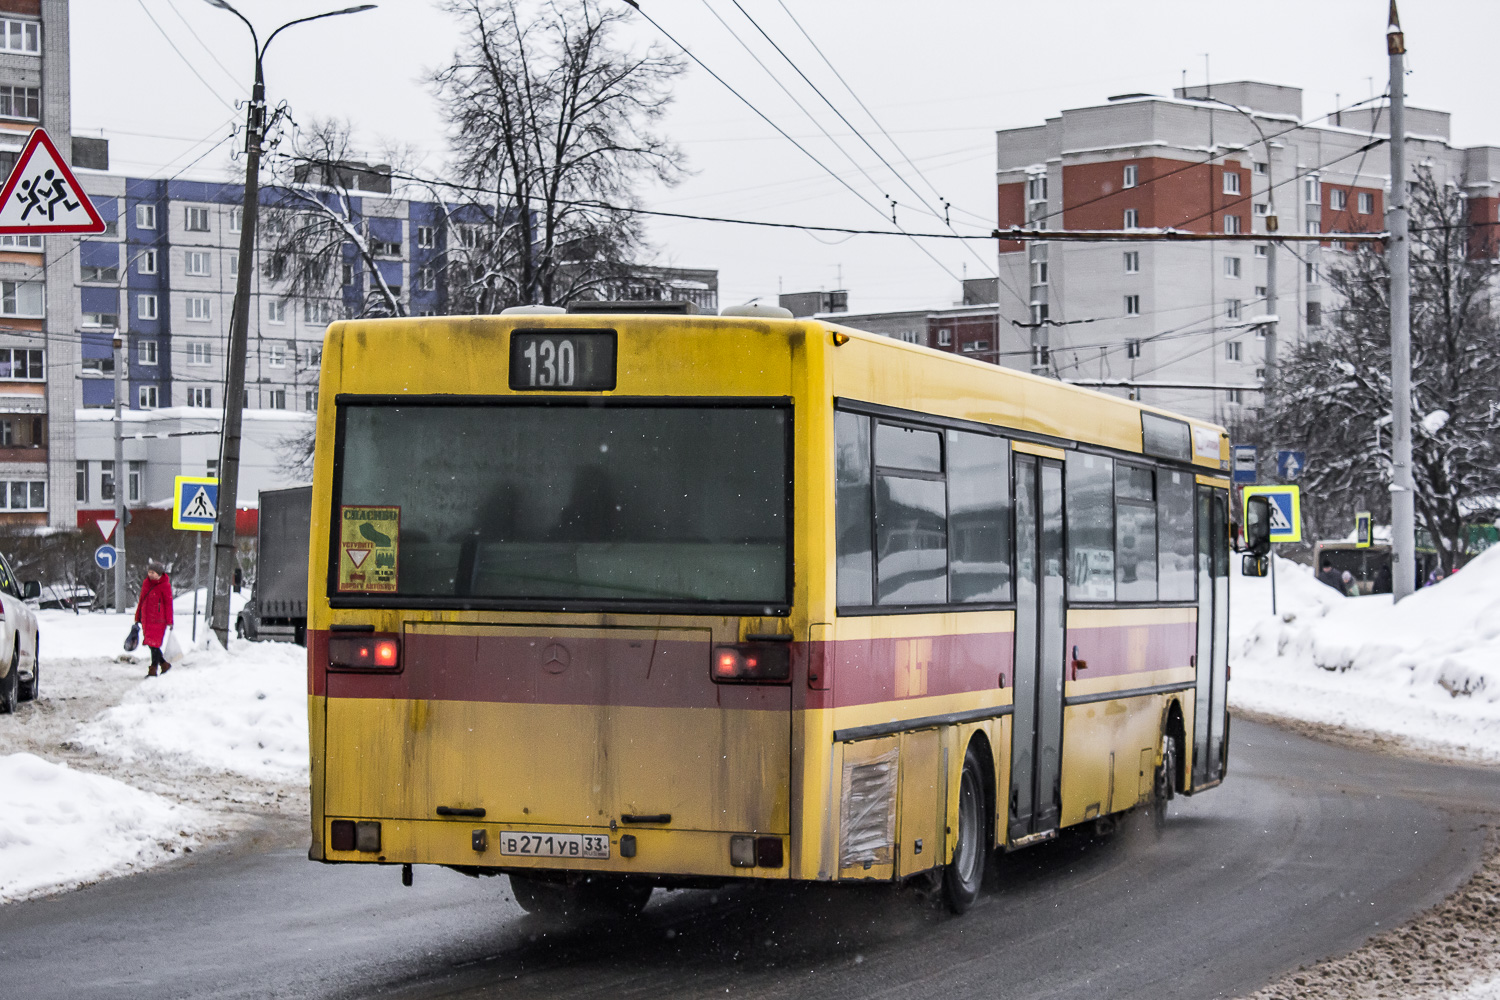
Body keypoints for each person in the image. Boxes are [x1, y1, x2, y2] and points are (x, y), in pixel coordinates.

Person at [136, 560, 174, 678]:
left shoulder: (165, 585)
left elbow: (168, 604)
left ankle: (153, 670)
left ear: (159, 574)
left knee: (154, 644)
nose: (150, 574)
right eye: (149, 572)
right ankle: (164, 664)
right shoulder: (146, 584)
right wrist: (138, 616)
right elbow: (141, 601)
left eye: (153, 572)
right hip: (147, 620)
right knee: (151, 644)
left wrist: (169, 621)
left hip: (159, 620)